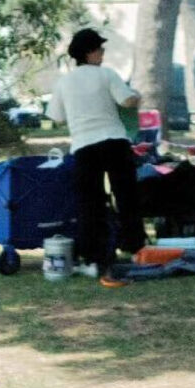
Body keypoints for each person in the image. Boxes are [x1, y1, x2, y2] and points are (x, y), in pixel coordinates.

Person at [46, 28, 145, 274]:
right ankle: (135, 247)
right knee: (126, 197)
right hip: (114, 141)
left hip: (84, 146)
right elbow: (127, 101)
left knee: (90, 203)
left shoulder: (63, 82)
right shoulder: (107, 75)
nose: (103, 53)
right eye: (100, 49)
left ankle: (95, 256)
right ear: (90, 53)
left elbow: (56, 117)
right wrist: (137, 96)